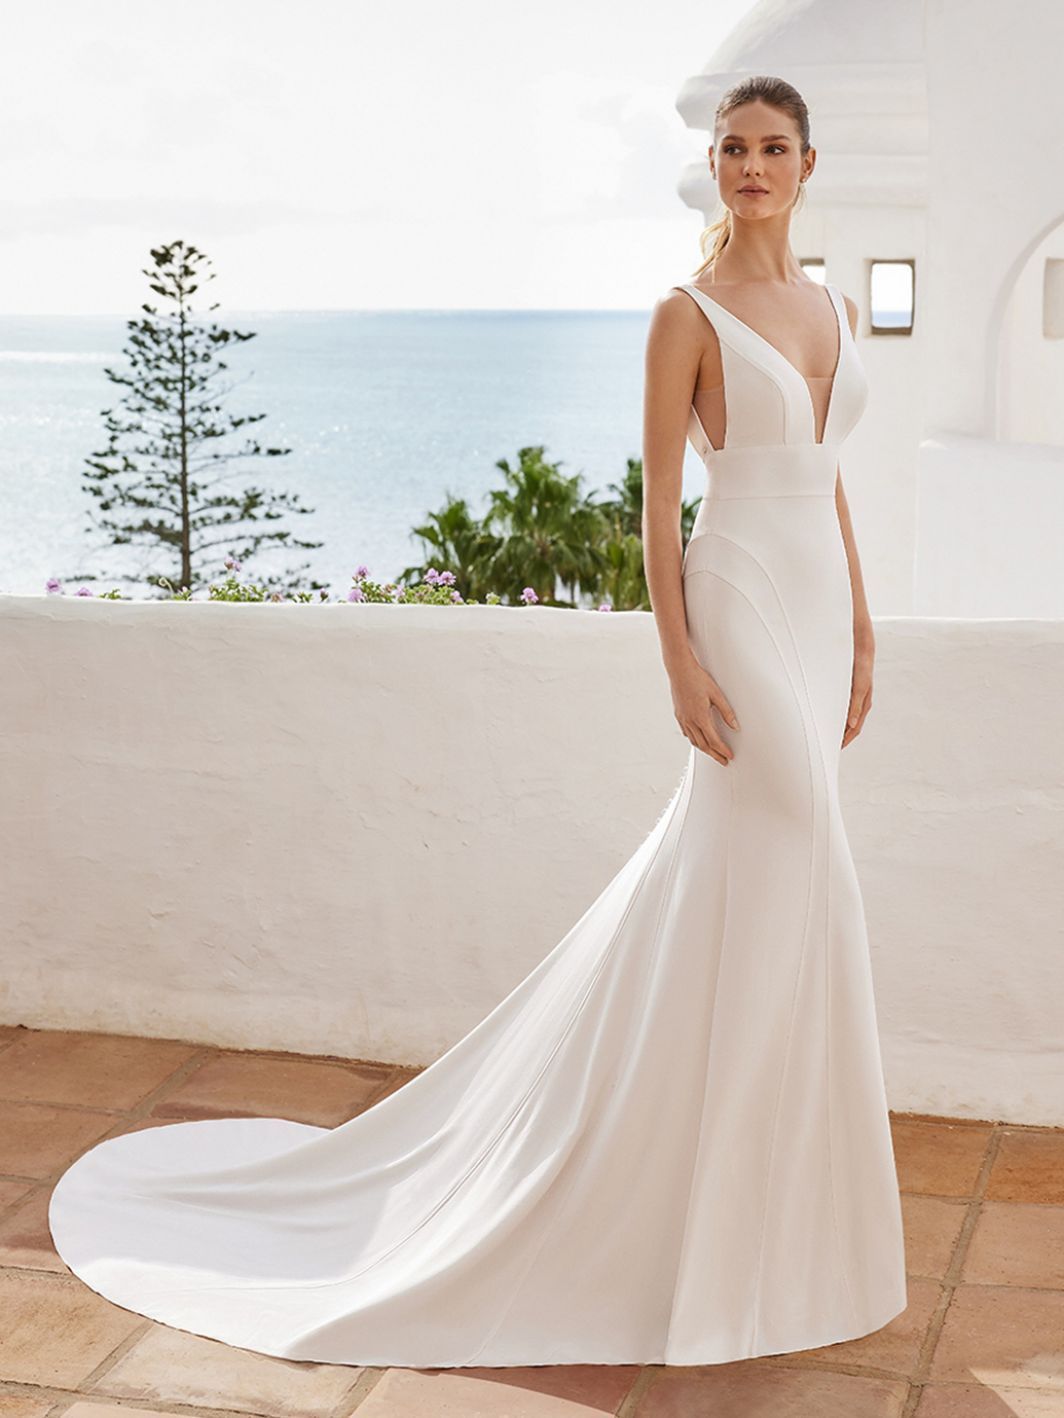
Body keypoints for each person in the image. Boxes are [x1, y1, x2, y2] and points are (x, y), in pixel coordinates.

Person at [47, 72, 907, 1369]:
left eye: (771, 147)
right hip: (734, 599)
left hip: (815, 592)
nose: (749, 164)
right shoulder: (687, 315)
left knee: (776, 886)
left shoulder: (833, 306)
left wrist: (864, 620)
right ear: (718, 163)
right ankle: (722, 1222)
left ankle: (771, 1220)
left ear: (807, 163)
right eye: (732, 145)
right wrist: (673, 654)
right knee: (799, 861)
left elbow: (824, 482)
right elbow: (660, 504)